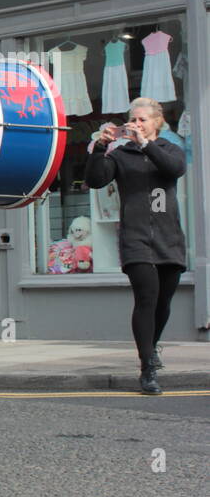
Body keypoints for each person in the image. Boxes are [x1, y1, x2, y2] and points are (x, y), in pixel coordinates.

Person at [86, 98, 187, 395]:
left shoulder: (169, 150)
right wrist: (101, 147)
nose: (137, 124)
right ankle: (147, 369)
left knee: (163, 302)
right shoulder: (121, 155)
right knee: (146, 297)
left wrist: (147, 145)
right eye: (134, 119)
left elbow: (174, 170)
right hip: (135, 238)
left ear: (157, 122)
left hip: (169, 238)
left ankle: (151, 348)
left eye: (143, 120)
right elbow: (95, 180)